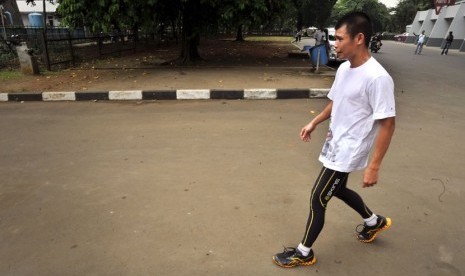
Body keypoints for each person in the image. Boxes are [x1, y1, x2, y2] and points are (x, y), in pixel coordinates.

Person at [272, 11, 396, 268]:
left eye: (339, 39)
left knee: (318, 197)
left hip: (349, 150)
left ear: (359, 38)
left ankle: (304, 252)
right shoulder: (344, 69)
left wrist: (373, 166)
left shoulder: (378, 77)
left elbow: (387, 124)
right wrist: (314, 122)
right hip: (334, 143)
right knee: (337, 189)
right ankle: (375, 222)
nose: (334, 44)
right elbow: (335, 102)